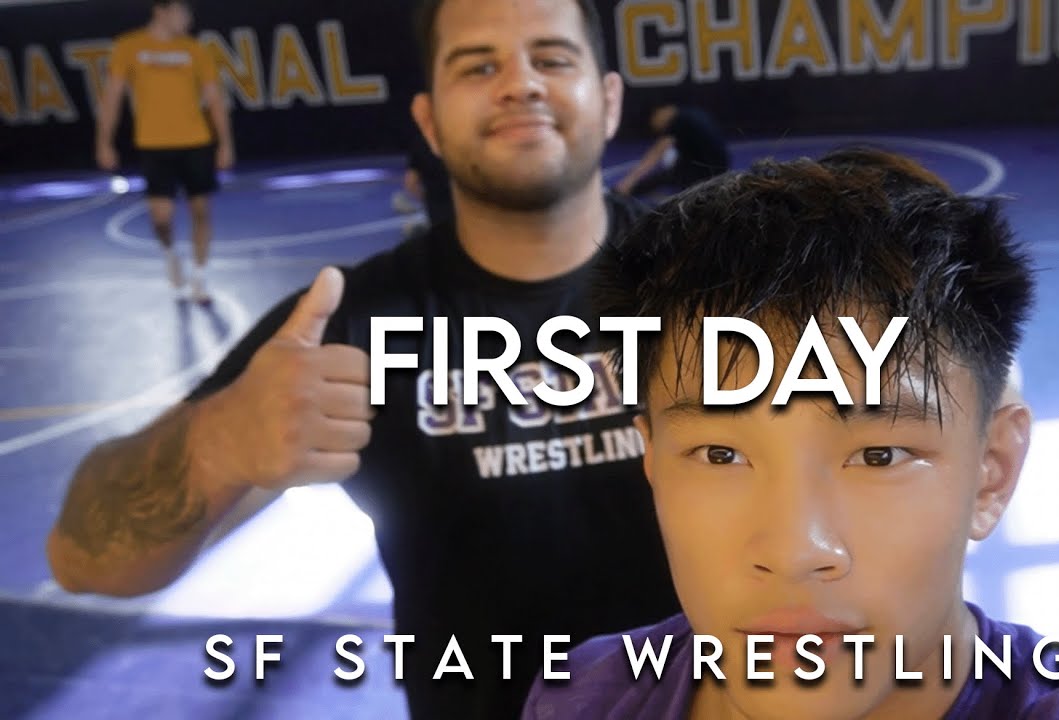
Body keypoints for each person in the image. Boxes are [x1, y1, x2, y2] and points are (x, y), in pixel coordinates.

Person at [47, 0, 679, 717]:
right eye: (478, 65)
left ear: (609, 98)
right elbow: (82, 559)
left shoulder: (717, 286)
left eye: (553, 58)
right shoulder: (351, 322)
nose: (520, 83)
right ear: (429, 123)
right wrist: (220, 442)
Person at [522, 149, 1059, 719]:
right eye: (720, 453)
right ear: (653, 464)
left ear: (992, 472)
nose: (797, 551)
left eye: (880, 454)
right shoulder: (583, 693)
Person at [96, 0, 234, 305]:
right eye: (182, 12)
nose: (187, 18)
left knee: (201, 211)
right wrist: (104, 142)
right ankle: (171, 255)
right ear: (161, 11)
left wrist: (224, 142)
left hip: (195, 141)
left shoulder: (196, 50)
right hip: (154, 145)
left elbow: (214, 98)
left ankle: (199, 278)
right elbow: (112, 97)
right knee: (161, 218)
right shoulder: (128, 46)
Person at [615, 105, 730, 199]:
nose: (656, 128)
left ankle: (627, 192)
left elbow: (654, 156)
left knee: (666, 176)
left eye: (653, 122)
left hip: (707, 173)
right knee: (673, 166)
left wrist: (628, 181)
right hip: (719, 167)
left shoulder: (678, 121)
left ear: (659, 113)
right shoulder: (691, 114)